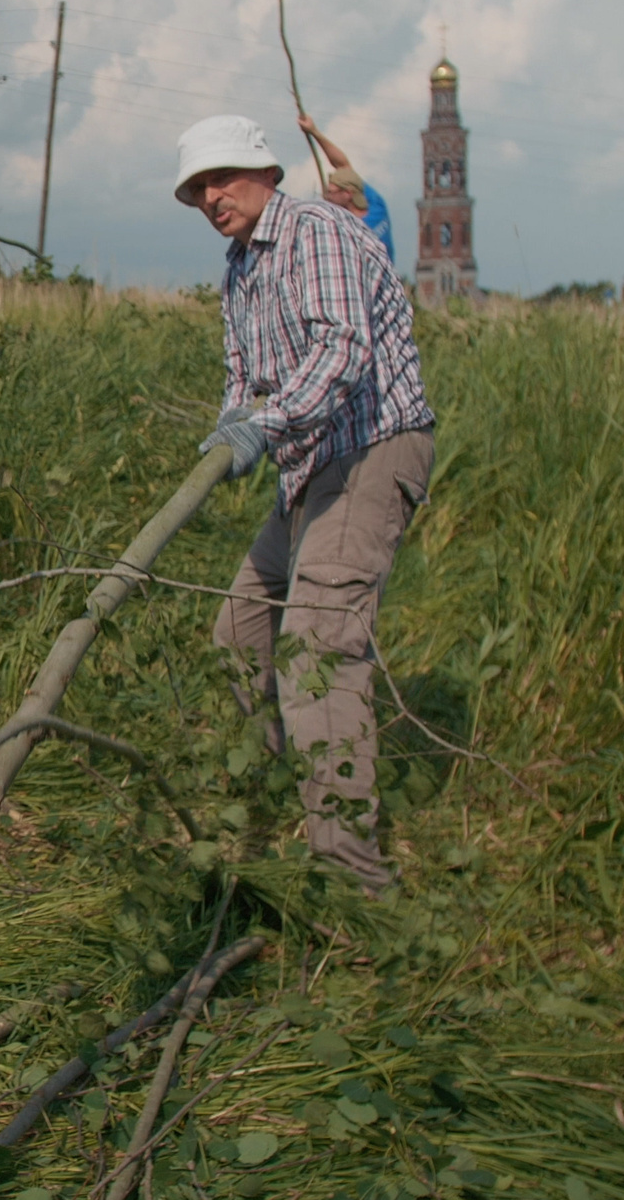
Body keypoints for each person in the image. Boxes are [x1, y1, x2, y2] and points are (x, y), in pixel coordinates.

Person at [175, 114, 435, 894]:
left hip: (370, 450)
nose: (211, 197)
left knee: (318, 647)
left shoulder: (315, 230)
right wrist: (232, 424)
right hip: (309, 468)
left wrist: (268, 421)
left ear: (265, 170)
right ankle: (287, 797)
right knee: (241, 632)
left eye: (222, 178)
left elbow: (342, 349)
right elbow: (244, 375)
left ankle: (355, 877)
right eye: (196, 190)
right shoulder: (239, 268)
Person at [295, 113, 393, 263]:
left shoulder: (350, 231)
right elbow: (343, 165)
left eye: (330, 193)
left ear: (347, 194)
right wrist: (314, 132)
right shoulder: (376, 204)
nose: (326, 197)